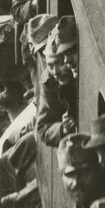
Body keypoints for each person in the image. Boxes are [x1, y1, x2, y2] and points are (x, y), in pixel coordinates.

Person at [35, 17, 79, 147]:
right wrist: (63, 129)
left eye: (58, 63)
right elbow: (43, 129)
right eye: (50, 65)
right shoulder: (49, 81)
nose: (55, 72)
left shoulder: (75, 66)